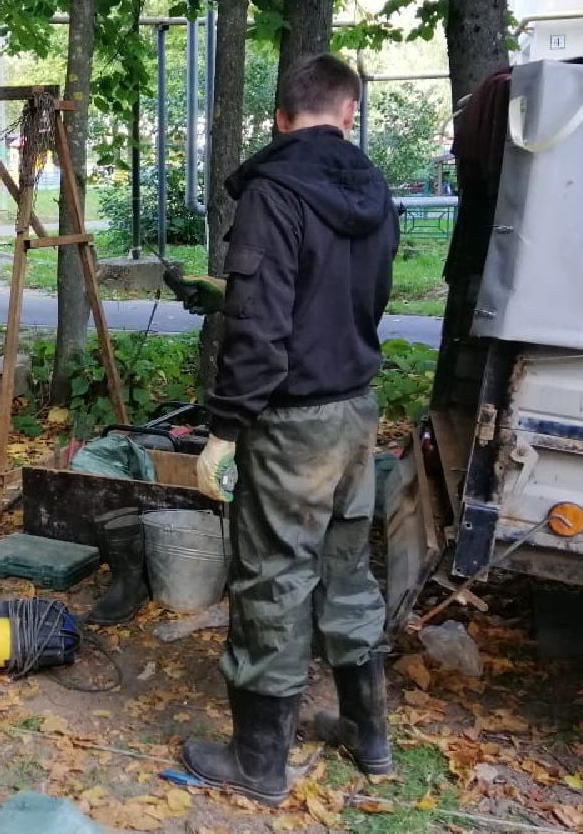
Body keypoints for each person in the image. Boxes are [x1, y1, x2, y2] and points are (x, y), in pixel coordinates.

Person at [182, 53, 399, 804]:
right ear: (348, 114)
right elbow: (344, 298)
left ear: (281, 118)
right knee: (345, 568)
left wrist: (224, 429)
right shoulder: (374, 188)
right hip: (356, 411)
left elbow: (265, 327)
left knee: (273, 578)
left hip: (293, 423)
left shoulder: (274, 191)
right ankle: (370, 740)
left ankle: (259, 765)